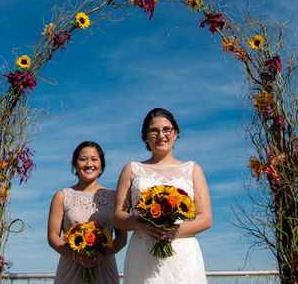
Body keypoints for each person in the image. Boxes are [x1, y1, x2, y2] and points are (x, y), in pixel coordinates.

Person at [114, 108, 211, 284]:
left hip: (183, 255)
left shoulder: (192, 169)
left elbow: (205, 218)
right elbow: (118, 216)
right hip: (143, 252)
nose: (161, 135)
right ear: (145, 136)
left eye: (167, 129)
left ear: (175, 134)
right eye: (154, 130)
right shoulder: (132, 169)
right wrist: (141, 224)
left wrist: (175, 231)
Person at [48, 141, 127, 284]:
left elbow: (122, 238)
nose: (89, 164)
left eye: (94, 159)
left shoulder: (114, 197)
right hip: (70, 269)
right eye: (83, 159)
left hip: (105, 267)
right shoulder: (61, 196)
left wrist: (103, 255)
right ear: (75, 164)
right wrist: (75, 256)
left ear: (101, 165)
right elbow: (52, 236)